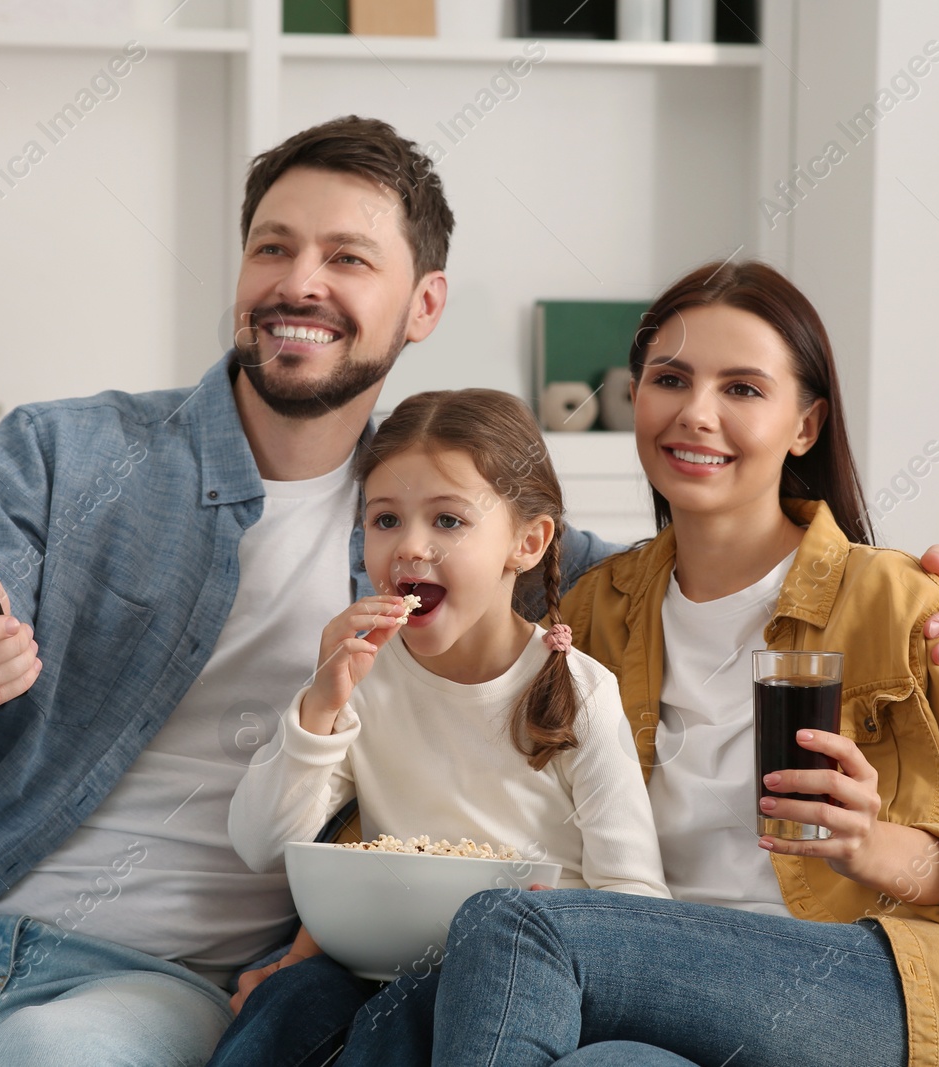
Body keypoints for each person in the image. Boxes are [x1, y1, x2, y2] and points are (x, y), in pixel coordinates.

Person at [0, 116, 939, 1067]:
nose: (299, 282)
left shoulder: (467, 530)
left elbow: (711, 573)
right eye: (273, 247)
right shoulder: (67, 450)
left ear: (422, 305)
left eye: (348, 259)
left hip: (146, 988)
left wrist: (936, 607)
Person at [428, 261, 939, 1067]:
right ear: (636, 397)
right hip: (661, 999)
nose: (696, 414)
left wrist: (877, 845)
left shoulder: (902, 603)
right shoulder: (593, 611)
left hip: (881, 989)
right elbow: (464, 773)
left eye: (743, 389)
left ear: (805, 425)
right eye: (669, 378)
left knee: (513, 929)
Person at [211, 389, 667, 1066]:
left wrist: (560, 933)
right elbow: (258, 841)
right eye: (385, 519)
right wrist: (320, 705)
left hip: (515, 973)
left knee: (404, 1023)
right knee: (285, 1004)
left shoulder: (578, 692)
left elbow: (637, 902)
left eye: (449, 520)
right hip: (371, 957)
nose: (410, 547)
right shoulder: (362, 676)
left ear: (528, 542)